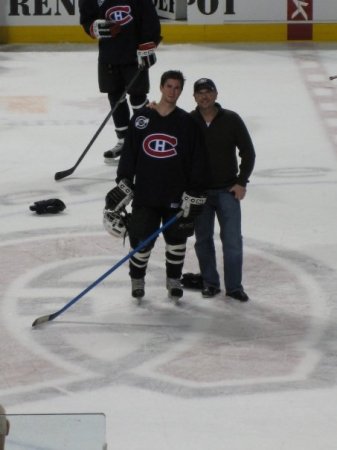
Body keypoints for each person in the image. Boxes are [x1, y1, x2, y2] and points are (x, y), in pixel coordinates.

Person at [104, 70, 208, 302]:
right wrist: (124, 181)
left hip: (176, 195)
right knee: (141, 241)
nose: (173, 91)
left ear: (181, 91)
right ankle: (137, 280)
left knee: (177, 242)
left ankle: (173, 281)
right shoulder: (141, 118)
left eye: (177, 88)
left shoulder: (187, 123)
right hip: (146, 194)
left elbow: (196, 159)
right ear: (161, 87)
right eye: (169, 86)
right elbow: (129, 154)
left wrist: (194, 190)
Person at [191, 78, 256, 301]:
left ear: (216, 94)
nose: (204, 96)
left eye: (208, 92)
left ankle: (234, 287)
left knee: (232, 241)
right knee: (203, 240)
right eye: (199, 93)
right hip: (200, 195)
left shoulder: (231, 119)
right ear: (194, 97)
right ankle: (210, 283)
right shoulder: (188, 121)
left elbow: (248, 152)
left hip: (228, 191)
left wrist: (241, 182)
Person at [79, 0, 161, 164]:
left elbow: (150, 17)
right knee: (115, 95)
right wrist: (95, 27)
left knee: (138, 97)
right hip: (109, 55)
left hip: (134, 53)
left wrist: (148, 43)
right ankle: (123, 141)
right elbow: (88, 19)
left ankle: (143, 139)